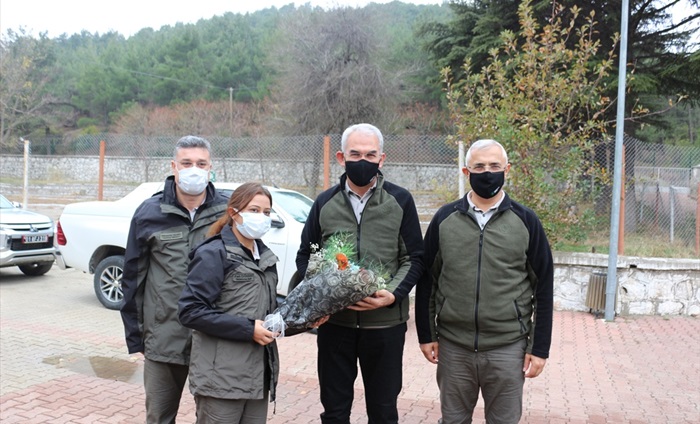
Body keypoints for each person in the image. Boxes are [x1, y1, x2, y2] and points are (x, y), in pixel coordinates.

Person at [415, 138, 554, 424]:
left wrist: (539, 349)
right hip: (454, 347)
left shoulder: (527, 222)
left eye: (494, 165)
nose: (487, 172)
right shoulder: (445, 219)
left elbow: (544, 287)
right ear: (466, 173)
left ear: (507, 169)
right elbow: (428, 280)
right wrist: (426, 334)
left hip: (507, 347)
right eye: (478, 166)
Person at [295, 123, 425, 424]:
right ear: (341, 157)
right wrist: (323, 293)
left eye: (370, 154)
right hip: (335, 326)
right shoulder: (324, 201)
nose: (363, 161)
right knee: (335, 411)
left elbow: (414, 258)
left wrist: (392, 295)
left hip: (384, 327)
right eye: (355, 154)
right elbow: (307, 254)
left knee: (383, 411)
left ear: (382, 159)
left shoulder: (400, 200)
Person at [120, 135, 228, 424]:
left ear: (210, 167)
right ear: (174, 166)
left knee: (213, 417)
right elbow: (132, 278)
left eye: (201, 163)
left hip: (214, 340)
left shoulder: (229, 213)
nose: (195, 169)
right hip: (163, 339)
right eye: (187, 163)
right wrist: (136, 336)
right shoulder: (149, 213)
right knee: (159, 417)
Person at [177, 182, 280, 424]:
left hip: (257, 378)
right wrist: (248, 329)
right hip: (220, 379)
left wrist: (307, 318)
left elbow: (267, 311)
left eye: (266, 212)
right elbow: (190, 311)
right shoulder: (214, 253)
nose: (261, 217)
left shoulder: (265, 257)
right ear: (234, 213)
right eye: (254, 210)